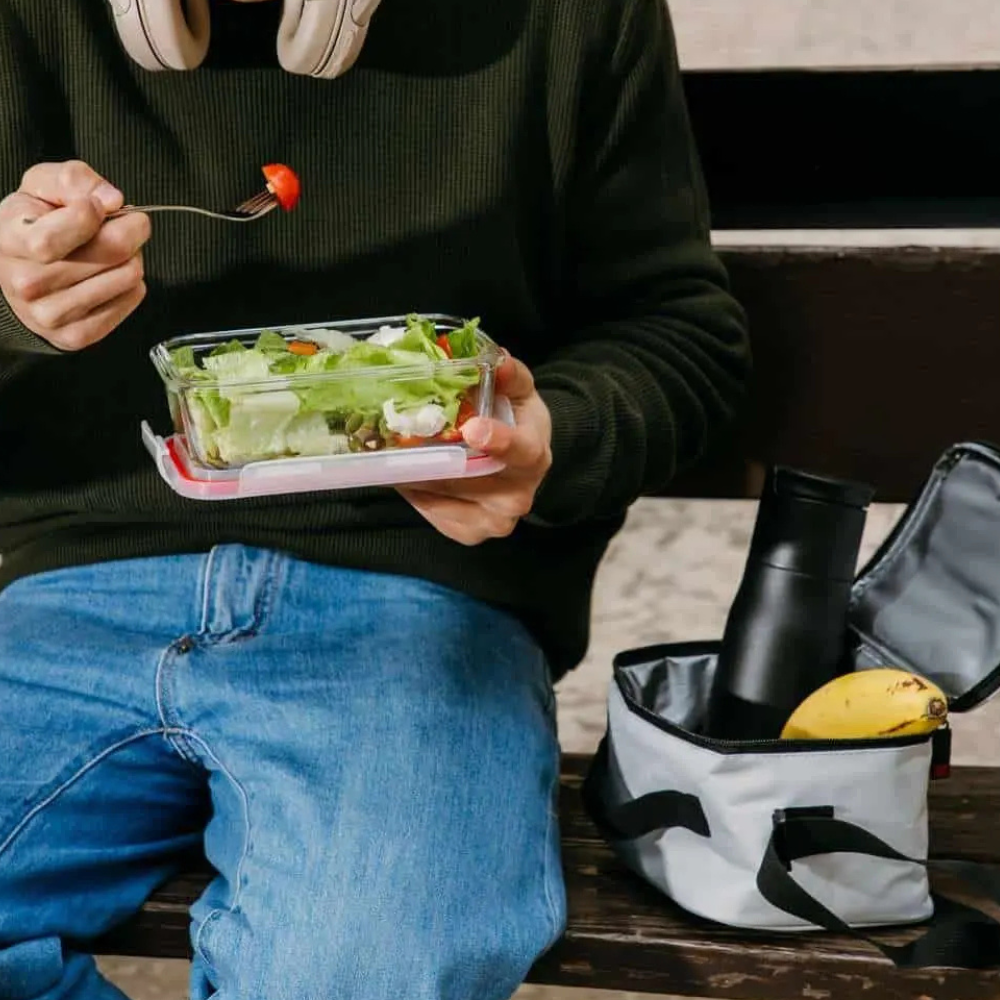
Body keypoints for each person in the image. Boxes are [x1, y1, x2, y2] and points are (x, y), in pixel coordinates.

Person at [0, 1, 749, 998]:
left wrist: (548, 439)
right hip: (53, 603)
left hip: (421, 603)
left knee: (361, 971)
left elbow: (680, 330)